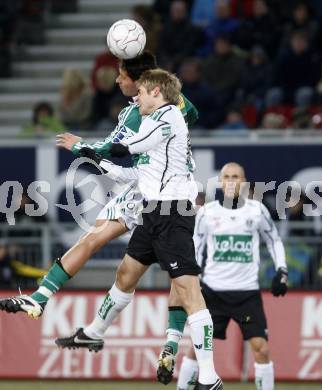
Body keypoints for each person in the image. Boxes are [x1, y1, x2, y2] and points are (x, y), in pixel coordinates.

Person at [0, 53, 202, 385]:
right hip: (140, 188)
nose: (116, 81)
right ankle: (42, 300)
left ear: (136, 81)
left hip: (165, 195)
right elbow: (188, 112)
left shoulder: (147, 111)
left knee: (180, 278)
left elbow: (112, 147)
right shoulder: (141, 110)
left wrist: (81, 147)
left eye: (121, 75)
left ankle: (175, 347)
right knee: (113, 258)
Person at [59, 69, 223, 390]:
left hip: (173, 213)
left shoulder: (170, 117)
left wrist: (84, 148)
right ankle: (94, 332)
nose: (137, 97)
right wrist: (95, 156)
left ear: (158, 91)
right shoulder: (150, 122)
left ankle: (209, 375)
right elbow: (129, 171)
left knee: (189, 292)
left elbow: (127, 147)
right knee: (126, 274)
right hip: (152, 212)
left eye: (142, 92)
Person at [176, 162, 288, 390]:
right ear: (220, 182)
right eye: (226, 176)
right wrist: (191, 280)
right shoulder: (207, 213)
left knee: (262, 348)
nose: (230, 181)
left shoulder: (257, 210)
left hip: (247, 293)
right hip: (212, 292)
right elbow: (195, 247)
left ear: (244, 182)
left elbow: (274, 240)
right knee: (196, 350)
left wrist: (282, 270)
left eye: (235, 177)